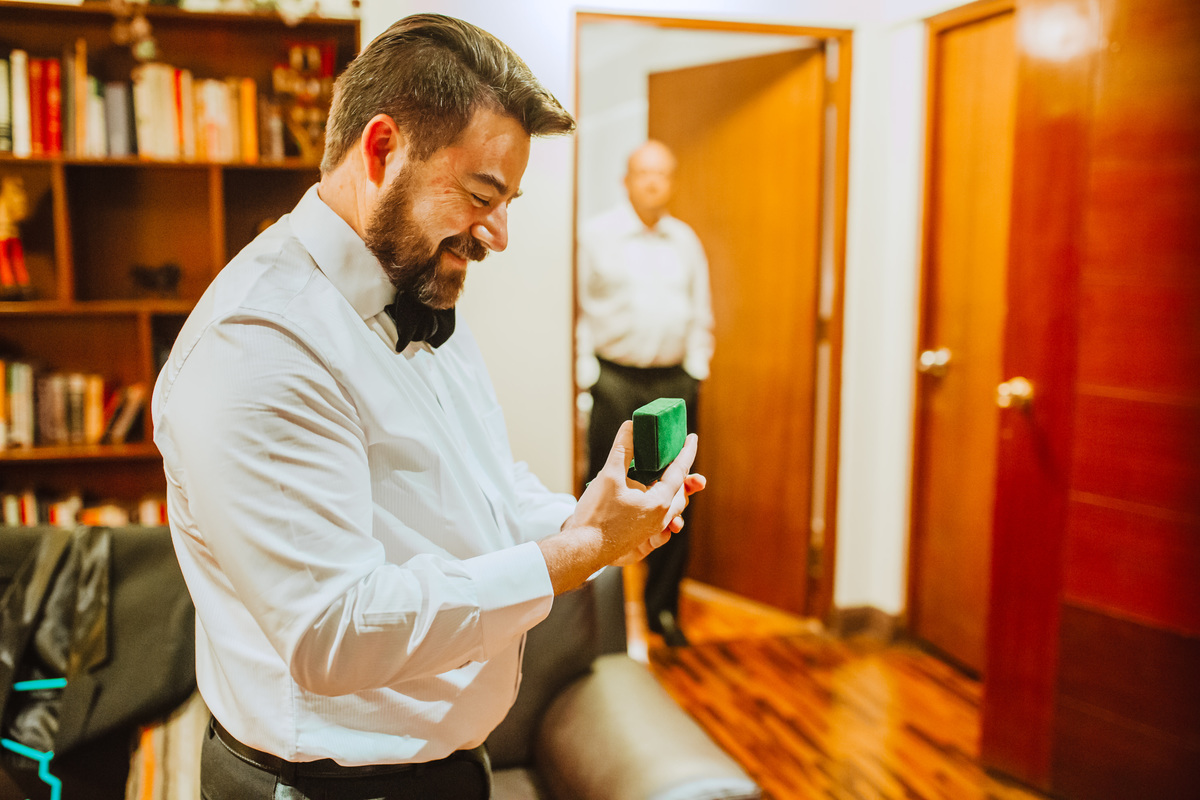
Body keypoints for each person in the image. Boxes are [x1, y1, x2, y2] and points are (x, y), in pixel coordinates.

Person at [152, 15, 704, 800]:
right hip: (325, 787)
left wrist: (597, 521)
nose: (501, 235)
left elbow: (484, 489)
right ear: (381, 151)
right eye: (483, 195)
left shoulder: (416, 284)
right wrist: (575, 554)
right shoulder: (259, 346)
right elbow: (335, 632)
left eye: (509, 200)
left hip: (440, 769)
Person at [576, 140, 714, 647]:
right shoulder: (596, 237)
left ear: (671, 182)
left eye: (663, 174)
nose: (654, 182)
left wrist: (695, 369)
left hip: (672, 383)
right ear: (626, 180)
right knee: (606, 494)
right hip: (614, 381)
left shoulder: (685, 242)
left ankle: (663, 612)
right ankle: (595, 616)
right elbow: (577, 309)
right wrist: (585, 377)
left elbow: (701, 310)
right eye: (644, 173)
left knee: (678, 494)